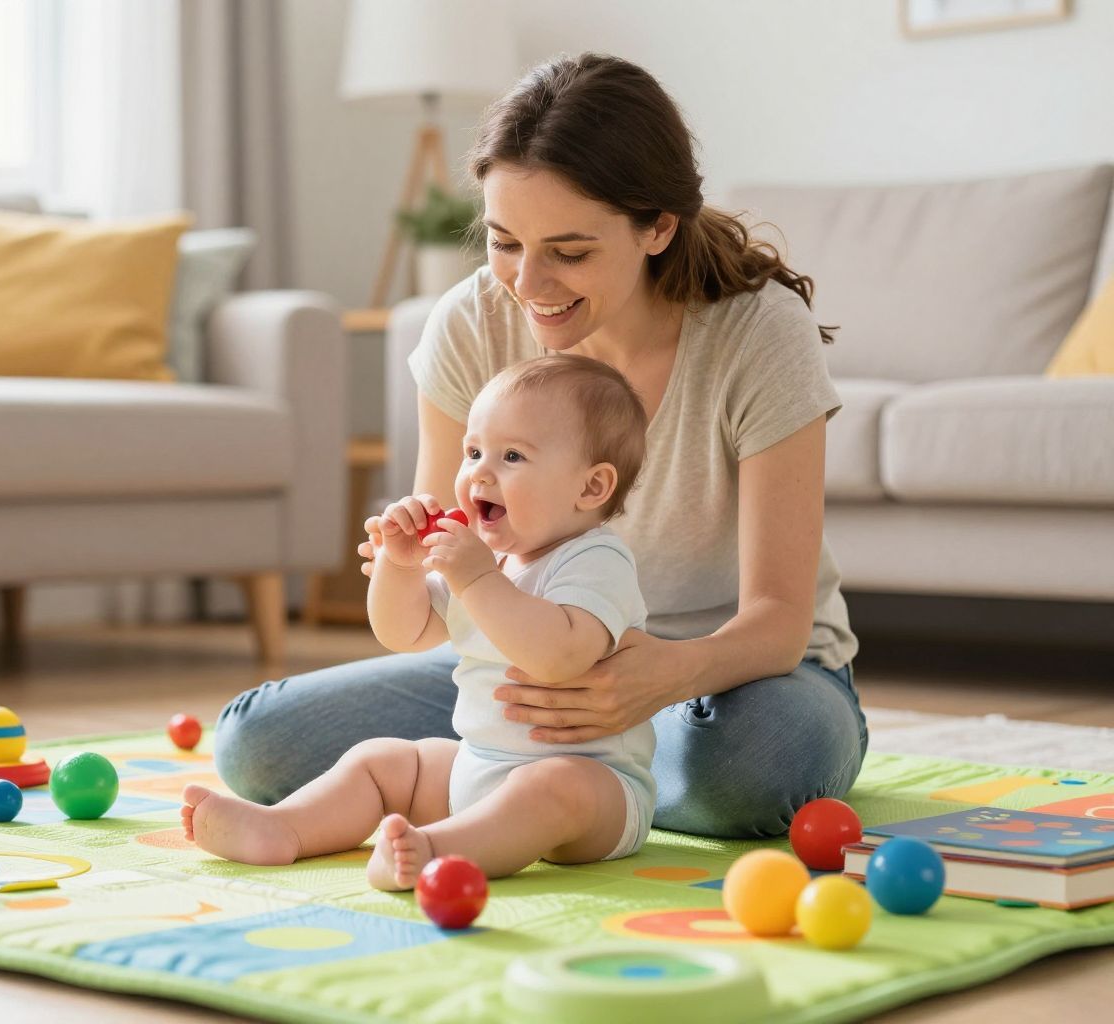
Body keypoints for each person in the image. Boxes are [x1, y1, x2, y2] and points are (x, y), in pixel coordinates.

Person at [214, 52, 867, 839]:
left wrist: (655, 679)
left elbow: (778, 619)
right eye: (504, 242)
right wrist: (405, 559)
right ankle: (559, 787)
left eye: (570, 250)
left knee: (746, 774)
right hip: (514, 662)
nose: (528, 282)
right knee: (257, 747)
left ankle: (550, 786)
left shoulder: (756, 332)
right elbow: (445, 583)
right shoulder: (468, 323)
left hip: (731, 676)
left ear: (657, 225)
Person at [183, 356, 652, 888]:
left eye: (513, 456)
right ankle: (283, 829)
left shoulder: (595, 560)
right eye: (473, 451)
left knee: (554, 788)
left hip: (596, 790)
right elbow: (403, 633)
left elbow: (558, 654)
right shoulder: (486, 558)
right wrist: (400, 566)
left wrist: (476, 580)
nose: (479, 471)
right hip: (476, 766)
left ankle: (434, 851)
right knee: (382, 761)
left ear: (591, 488)